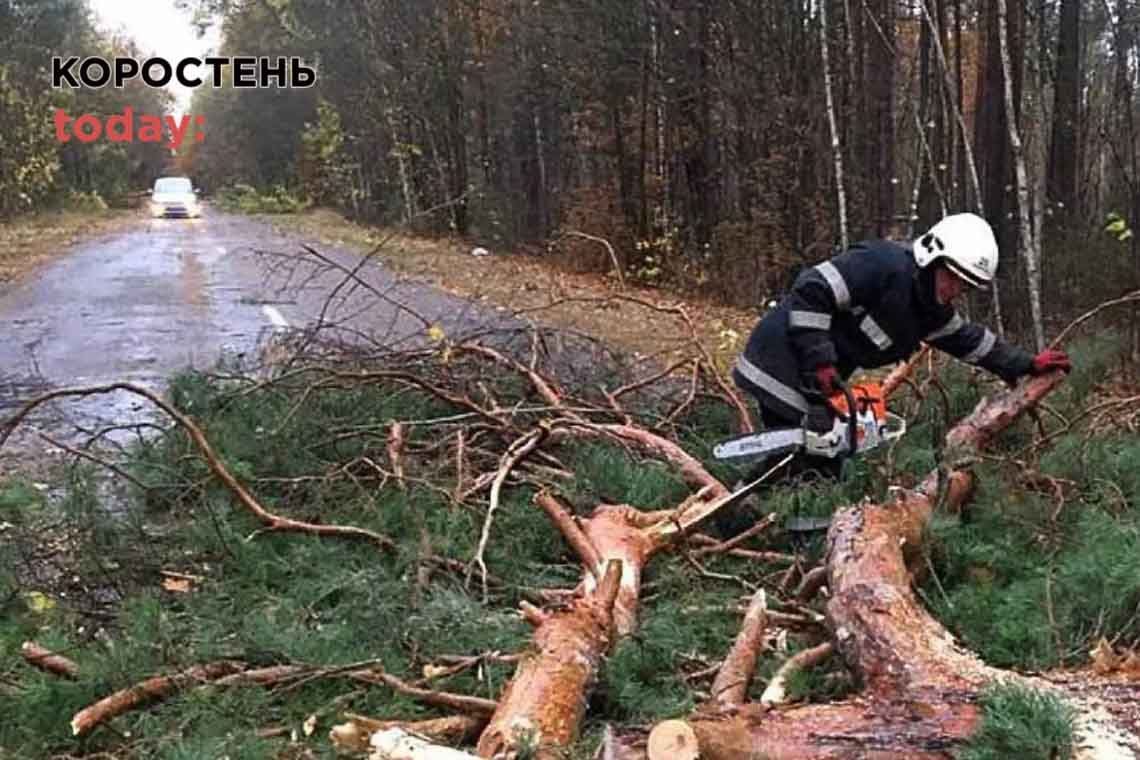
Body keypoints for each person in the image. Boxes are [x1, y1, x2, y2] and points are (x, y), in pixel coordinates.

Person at [732, 212, 1072, 476]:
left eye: (964, 286)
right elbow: (812, 289)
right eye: (953, 277)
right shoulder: (882, 265)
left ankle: (766, 508)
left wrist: (1025, 363)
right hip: (780, 358)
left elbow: (969, 340)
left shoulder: (929, 310)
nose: (954, 290)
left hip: (816, 377)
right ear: (933, 257)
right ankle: (754, 511)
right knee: (807, 459)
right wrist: (821, 360)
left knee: (824, 458)